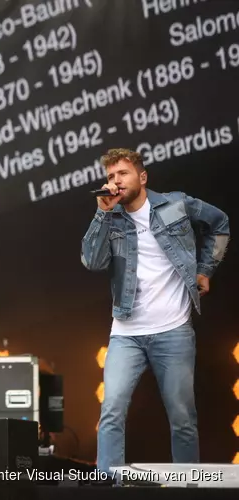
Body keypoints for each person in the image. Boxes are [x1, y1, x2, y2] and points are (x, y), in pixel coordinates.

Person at [81, 148, 230, 477]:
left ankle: (187, 487)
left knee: (182, 418)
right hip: (125, 333)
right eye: (110, 176)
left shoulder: (175, 204)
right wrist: (102, 214)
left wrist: (205, 270)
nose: (115, 181)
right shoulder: (111, 216)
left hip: (173, 330)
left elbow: (220, 223)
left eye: (122, 174)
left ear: (142, 177)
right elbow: (91, 261)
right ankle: (109, 485)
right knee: (111, 410)